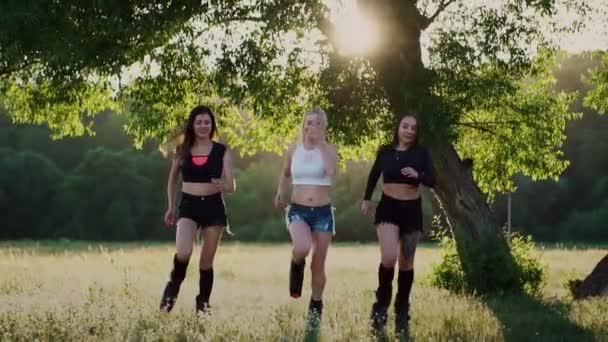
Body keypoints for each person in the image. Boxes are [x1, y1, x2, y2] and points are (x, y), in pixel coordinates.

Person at [361, 113, 436, 335]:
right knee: (389, 257)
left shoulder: (422, 154)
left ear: (416, 132)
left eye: (413, 128)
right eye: (405, 126)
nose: (409, 130)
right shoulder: (385, 152)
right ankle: (380, 307)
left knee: (406, 263)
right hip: (388, 209)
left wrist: (418, 174)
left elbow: (432, 180)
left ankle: (402, 311)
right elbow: (374, 175)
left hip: (412, 211)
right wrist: (366, 198)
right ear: (398, 128)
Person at [160, 105, 235, 313]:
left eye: (207, 122)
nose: (203, 126)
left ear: (212, 125)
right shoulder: (182, 150)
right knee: (183, 251)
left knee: (206, 262)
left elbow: (231, 184)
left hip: (213, 207)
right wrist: (170, 206)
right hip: (189, 206)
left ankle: (202, 305)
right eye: (199, 122)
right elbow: (172, 179)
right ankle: (171, 291)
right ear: (192, 125)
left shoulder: (222, 150)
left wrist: (226, 186)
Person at [273, 108, 338, 321]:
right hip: (298, 210)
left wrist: (320, 145)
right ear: (304, 125)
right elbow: (285, 174)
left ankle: (316, 304)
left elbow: (331, 173)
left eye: (319, 123)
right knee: (301, 247)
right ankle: (296, 264)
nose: (314, 127)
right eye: (310, 123)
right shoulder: (293, 150)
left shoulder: (330, 149)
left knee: (318, 264)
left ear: (324, 127)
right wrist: (280, 192)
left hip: (323, 213)